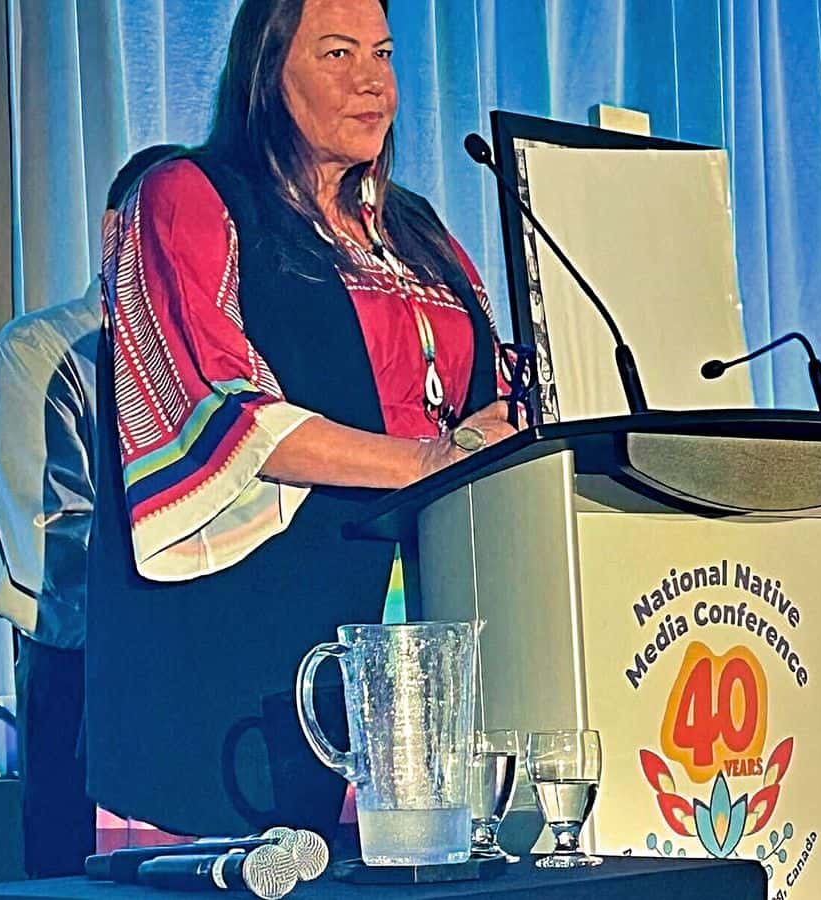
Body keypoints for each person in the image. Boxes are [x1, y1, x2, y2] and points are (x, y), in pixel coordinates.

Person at [85, 0, 518, 841]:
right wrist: (429, 461)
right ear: (266, 75)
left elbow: (492, 396)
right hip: (235, 646)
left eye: (383, 54)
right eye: (337, 52)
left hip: (414, 631)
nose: (372, 81)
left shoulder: (416, 227)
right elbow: (216, 407)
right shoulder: (188, 195)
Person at [0, 144, 186, 877]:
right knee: (77, 870)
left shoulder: (225, 365)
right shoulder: (39, 352)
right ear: (115, 232)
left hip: (202, 662)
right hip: (85, 662)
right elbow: (47, 543)